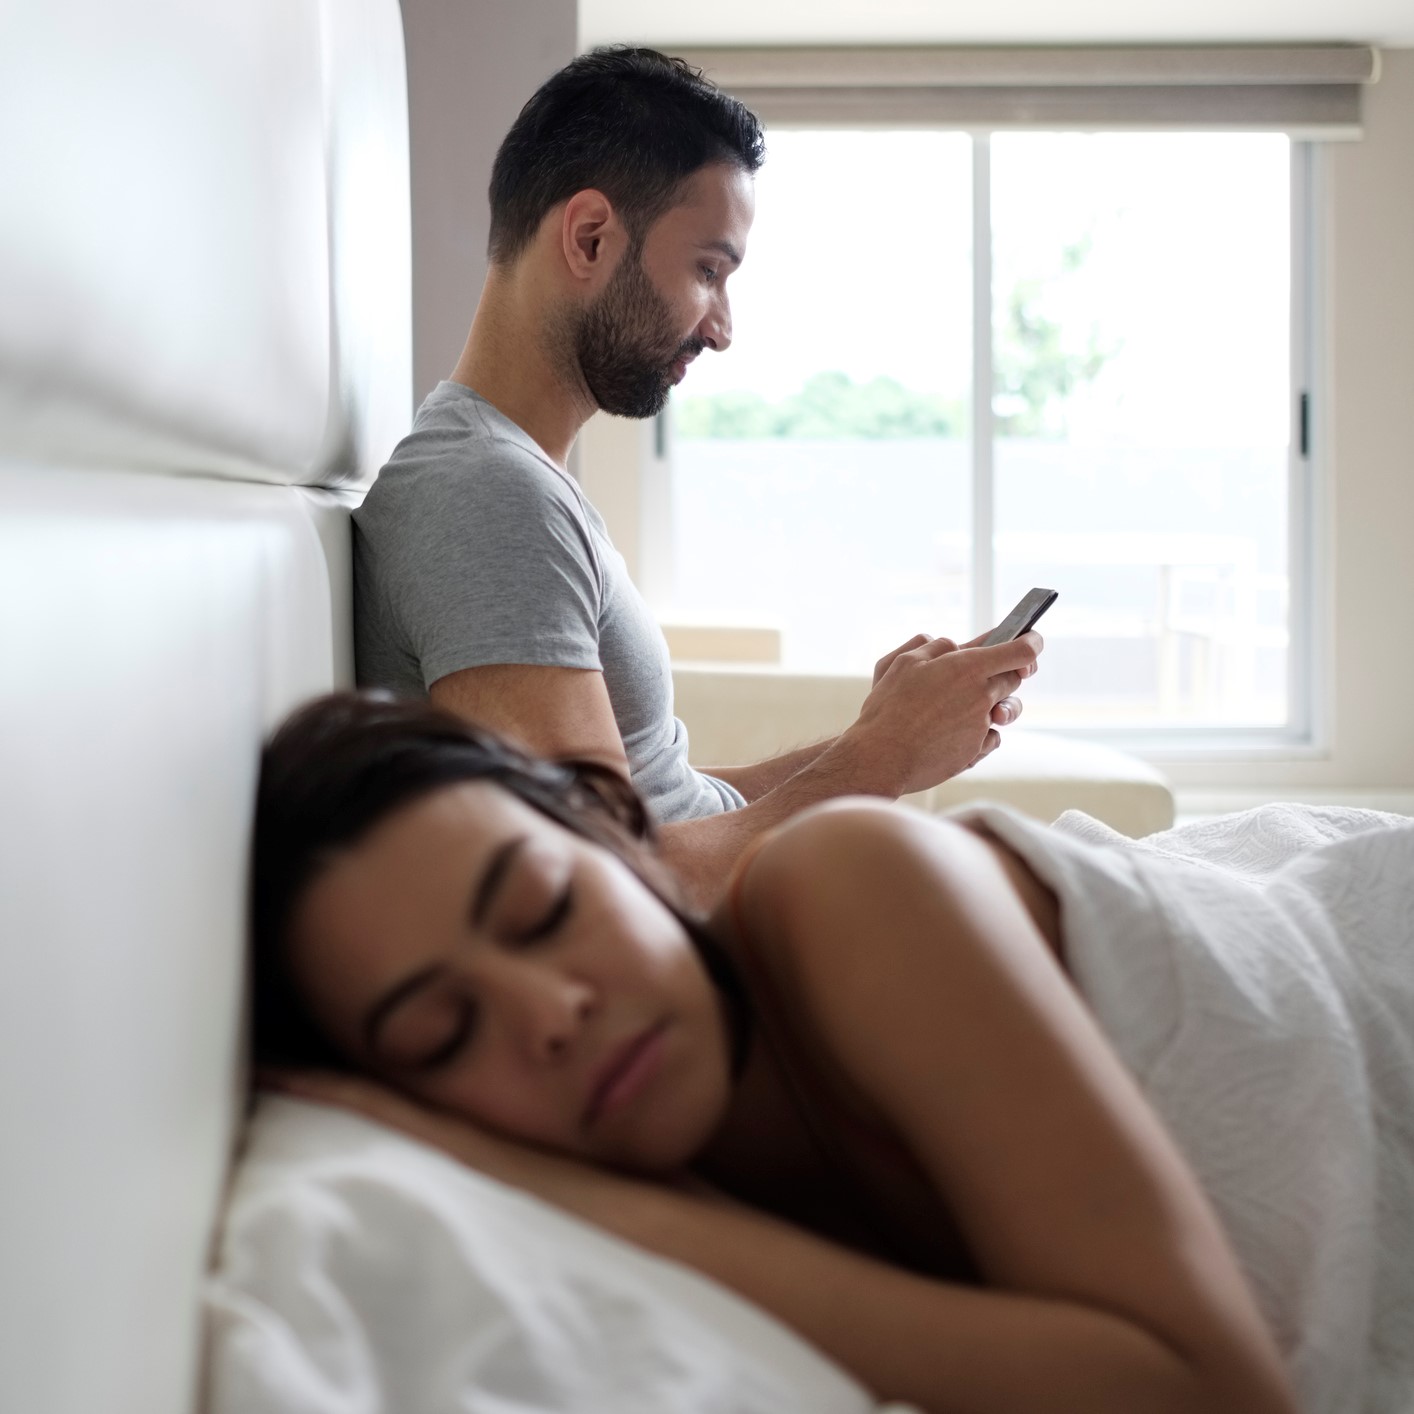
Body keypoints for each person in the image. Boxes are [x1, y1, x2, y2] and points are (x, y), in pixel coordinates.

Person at [252, 691, 1414, 1413]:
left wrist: (596, 1204)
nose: (548, 1011)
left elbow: (1205, 1398)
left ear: (618, 841)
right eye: (441, 1033)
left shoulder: (848, 885)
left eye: (547, 908)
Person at [352, 45, 1042, 906]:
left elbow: (656, 805)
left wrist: (870, 743)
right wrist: (877, 762)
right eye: (707, 271)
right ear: (590, 237)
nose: (721, 329)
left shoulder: (514, 478)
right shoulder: (485, 497)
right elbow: (597, 880)